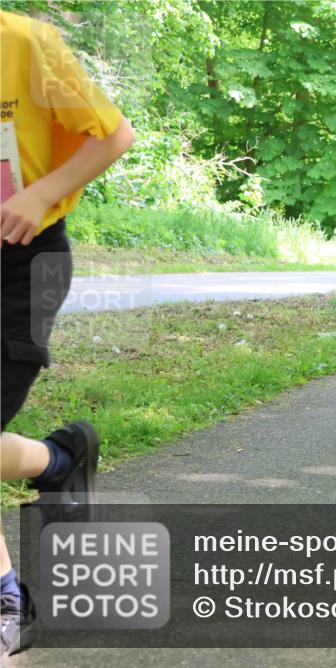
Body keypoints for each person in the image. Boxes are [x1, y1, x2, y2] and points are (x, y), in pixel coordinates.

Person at [1, 10, 134, 655]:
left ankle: (9, 603)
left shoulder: (24, 42)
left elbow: (112, 136)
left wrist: (41, 192)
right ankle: (57, 461)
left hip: (22, 263)